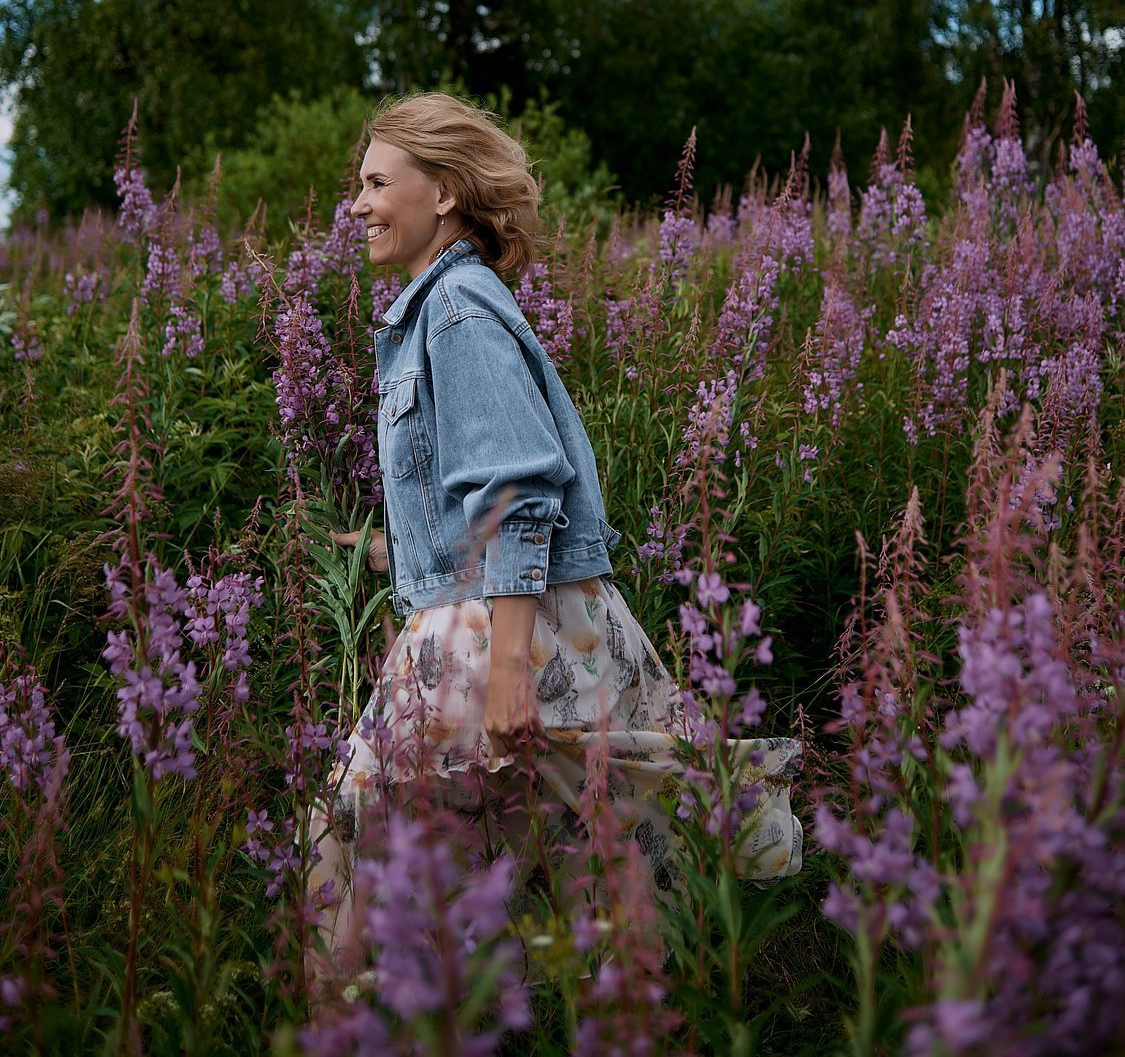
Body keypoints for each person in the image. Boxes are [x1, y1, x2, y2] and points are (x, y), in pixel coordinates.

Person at [307, 92, 801, 974]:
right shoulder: (447, 307)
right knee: (579, 877)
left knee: (357, 880)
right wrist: (387, 548)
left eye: (377, 182)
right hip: (497, 622)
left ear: (445, 192)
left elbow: (520, 490)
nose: (356, 205)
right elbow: (476, 497)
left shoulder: (456, 313)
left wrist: (504, 676)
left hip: (497, 637)